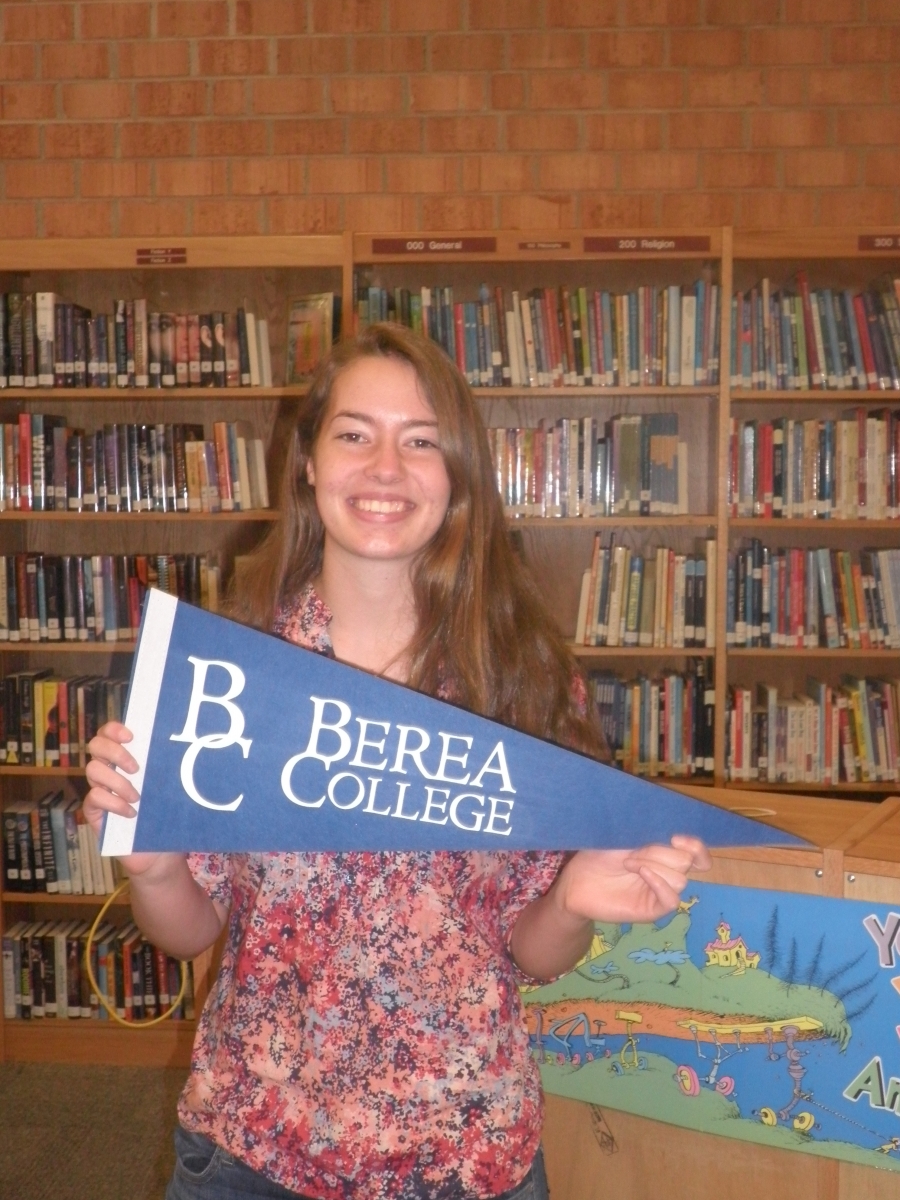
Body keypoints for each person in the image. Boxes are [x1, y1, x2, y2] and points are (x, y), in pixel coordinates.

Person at [84, 323, 710, 1200]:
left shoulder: (521, 680)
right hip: (251, 1152)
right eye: (354, 434)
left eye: (420, 442)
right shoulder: (234, 669)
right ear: (307, 462)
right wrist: (152, 865)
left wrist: (571, 901)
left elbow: (531, 955)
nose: (385, 467)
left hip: (460, 1157)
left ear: (456, 476)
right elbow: (193, 931)